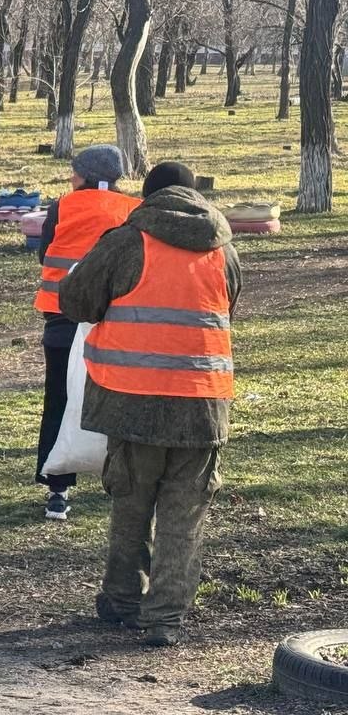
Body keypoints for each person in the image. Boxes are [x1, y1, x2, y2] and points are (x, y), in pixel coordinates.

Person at [59, 161, 240, 648]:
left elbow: (76, 302)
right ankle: (164, 619)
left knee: (131, 505)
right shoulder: (223, 249)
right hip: (202, 406)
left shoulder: (126, 240)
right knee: (184, 517)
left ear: (148, 195)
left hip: (132, 402)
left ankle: (123, 601)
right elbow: (227, 307)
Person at [33, 144, 139, 521]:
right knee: (119, 398)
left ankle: (56, 490)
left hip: (61, 315)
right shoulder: (134, 209)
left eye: (75, 172)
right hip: (114, 320)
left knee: (59, 399)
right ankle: (122, 480)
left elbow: (44, 253)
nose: (70, 178)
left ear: (88, 176)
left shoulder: (61, 206)